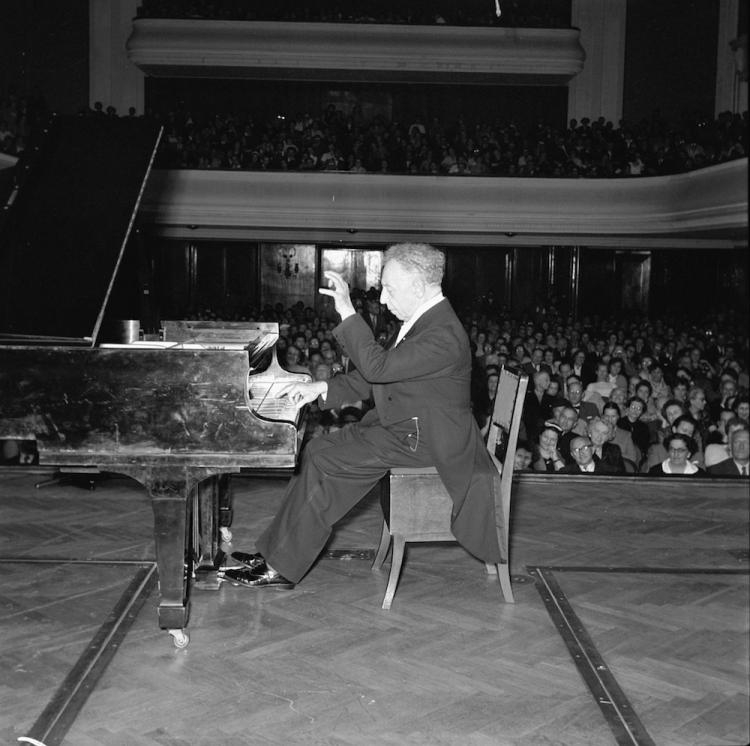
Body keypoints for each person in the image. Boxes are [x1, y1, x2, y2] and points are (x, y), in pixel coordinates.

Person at [223, 243, 505, 589]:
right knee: (314, 452)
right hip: (405, 428)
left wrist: (346, 311)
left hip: (427, 440)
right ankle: (272, 553)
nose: (383, 299)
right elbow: (378, 376)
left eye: (390, 288)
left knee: (329, 463)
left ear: (418, 286)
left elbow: (376, 366)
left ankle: (283, 567)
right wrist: (321, 389)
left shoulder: (443, 334)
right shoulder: (421, 321)